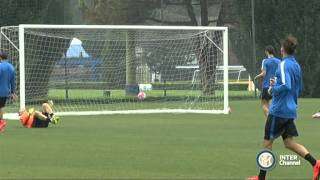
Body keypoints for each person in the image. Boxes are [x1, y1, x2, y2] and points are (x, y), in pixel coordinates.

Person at [248, 36, 320, 180]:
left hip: (278, 111)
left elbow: (286, 86)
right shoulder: (296, 65)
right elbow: (298, 88)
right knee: (289, 143)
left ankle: (261, 178)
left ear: (282, 50)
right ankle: (316, 163)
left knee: (267, 143)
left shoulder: (283, 64)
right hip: (290, 110)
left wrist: (273, 90)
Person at [254, 46, 281, 117]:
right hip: (276, 86)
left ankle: (270, 116)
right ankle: (270, 122)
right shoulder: (279, 61)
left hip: (266, 86)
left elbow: (264, 73)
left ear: (266, 52)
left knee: (264, 104)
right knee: (271, 103)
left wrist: (257, 77)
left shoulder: (265, 61)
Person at [0, 51, 16, 132]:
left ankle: (1, 124)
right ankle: (1, 125)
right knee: (1, 107)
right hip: (6, 91)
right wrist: (13, 93)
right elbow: (13, 82)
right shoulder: (11, 67)